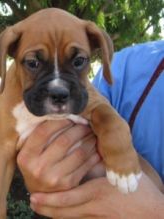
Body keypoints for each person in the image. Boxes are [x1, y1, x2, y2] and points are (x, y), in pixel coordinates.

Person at [17, 40, 164, 218]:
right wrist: (43, 178)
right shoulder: (124, 66)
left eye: (78, 62)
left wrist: (154, 212)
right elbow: (85, 121)